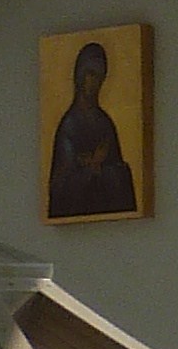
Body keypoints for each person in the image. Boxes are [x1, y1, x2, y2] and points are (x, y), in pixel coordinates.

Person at [48, 40, 141, 218]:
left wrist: (101, 168)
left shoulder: (104, 123)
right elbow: (60, 187)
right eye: (90, 74)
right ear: (79, 77)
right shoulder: (69, 126)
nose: (94, 82)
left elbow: (120, 175)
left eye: (99, 76)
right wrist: (90, 170)